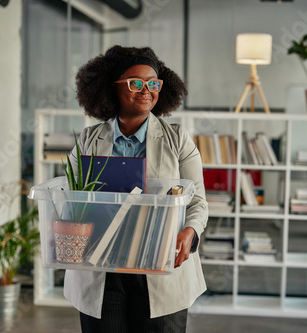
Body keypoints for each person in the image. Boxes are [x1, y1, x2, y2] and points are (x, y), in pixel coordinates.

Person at [64, 45, 208, 332]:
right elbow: (72, 202)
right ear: (111, 89)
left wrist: (189, 232)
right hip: (102, 268)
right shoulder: (87, 140)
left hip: (161, 263)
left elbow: (197, 202)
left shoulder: (177, 139)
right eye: (135, 83)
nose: (146, 90)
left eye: (153, 83)